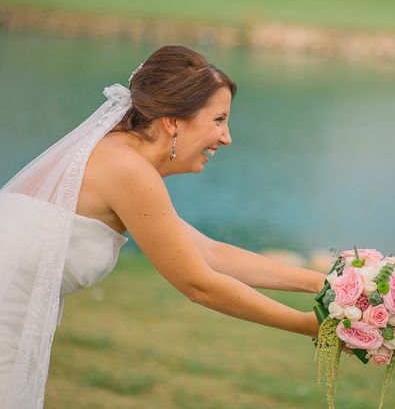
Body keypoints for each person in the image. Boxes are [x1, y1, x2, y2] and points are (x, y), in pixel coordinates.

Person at [0, 45, 325, 408]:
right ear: (172, 120)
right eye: (218, 120)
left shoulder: (119, 156)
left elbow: (211, 253)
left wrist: (324, 284)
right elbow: (199, 283)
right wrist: (310, 325)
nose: (227, 137)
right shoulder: (128, 169)